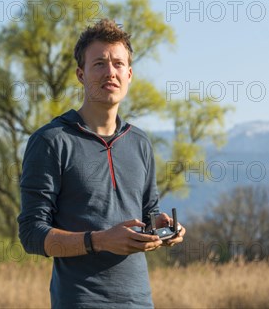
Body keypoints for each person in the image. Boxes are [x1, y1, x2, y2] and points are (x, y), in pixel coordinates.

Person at [18, 18, 185, 309]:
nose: (111, 72)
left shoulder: (140, 143)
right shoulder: (51, 141)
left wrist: (162, 227)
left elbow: (149, 212)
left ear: (129, 74)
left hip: (140, 302)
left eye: (118, 64)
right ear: (80, 74)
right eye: (99, 64)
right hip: (80, 302)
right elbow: (32, 234)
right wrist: (100, 241)